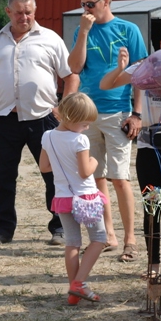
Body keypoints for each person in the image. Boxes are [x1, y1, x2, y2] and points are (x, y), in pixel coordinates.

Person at [0, 0, 79, 247]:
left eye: (29, 12)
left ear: (35, 12)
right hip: (4, 119)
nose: (24, 17)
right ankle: (2, 230)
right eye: (19, 12)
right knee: (3, 178)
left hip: (43, 118)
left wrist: (64, 109)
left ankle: (60, 227)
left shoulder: (50, 39)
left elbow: (71, 76)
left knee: (54, 176)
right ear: (8, 12)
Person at [99, 27, 161, 282]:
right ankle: (153, 263)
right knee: (152, 206)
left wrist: (155, 75)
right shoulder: (144, 66)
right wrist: (121, 69)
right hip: (148, 145)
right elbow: (106, 85)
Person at [68, 0, 148, 263]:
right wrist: (83, 33)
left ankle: (130, 240)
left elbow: (141, 74)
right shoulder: (82, 30)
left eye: (90, 4)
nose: (86, 10)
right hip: (88, 114)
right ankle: (108, 235)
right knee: (96, 176)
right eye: (83, 5)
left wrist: (137, 113)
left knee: (120, 178)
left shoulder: (128, 30)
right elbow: (75, 67)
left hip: (118, 112)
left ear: (106, 1)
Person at [39, 93, 107, 305]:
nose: (87, 128)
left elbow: (44, 167)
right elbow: (85, 172)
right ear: (71, 118)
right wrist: (95, 161)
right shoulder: (80, 139)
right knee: (99, 238)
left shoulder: (47, 136)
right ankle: (79, 283)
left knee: (72, 243)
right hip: (85, 196)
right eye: (85, 124)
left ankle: (73, 292)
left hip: (63, 197)